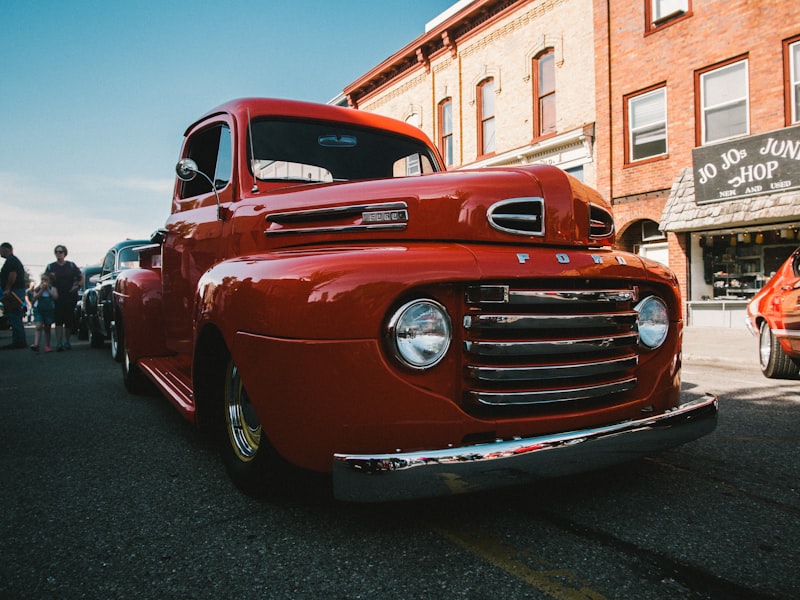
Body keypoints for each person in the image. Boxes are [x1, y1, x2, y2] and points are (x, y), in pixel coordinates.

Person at [46, 244, 83, 351]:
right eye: (56, 252)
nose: (58, 254)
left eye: (60, 252)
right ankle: (58, 343)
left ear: (64, 253)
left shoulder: (71, 266)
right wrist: (50, 289)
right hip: (57, 297)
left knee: (68, 320)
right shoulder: (51, 267)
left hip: (70, 296)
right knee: (58, 320)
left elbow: (81, 277)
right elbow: (45, 280)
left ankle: (67, 341)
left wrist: (77, 286)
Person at [0, 242, 28, 349]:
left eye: (1, 250)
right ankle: (19, 340)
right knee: (16, 315)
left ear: (6, 249)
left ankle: (19, 342)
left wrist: (7, 288)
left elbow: (12, 275)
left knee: (14, 315)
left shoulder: (11, 261)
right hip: (17, 290)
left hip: (14, 291)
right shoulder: (13, 260)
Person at [30, 273, 57, 352]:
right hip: (39, 310)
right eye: (42, 280)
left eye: (46, 280)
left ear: (50, 281)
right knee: (38, 326)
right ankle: (36, 344)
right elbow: (35, 296)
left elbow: (55, 297)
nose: (43, 282)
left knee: (47, 328)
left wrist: (48, 290)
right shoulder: (37, 288)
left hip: (49, 310)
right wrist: (41, 289)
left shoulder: (53, 288)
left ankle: (47, 345)